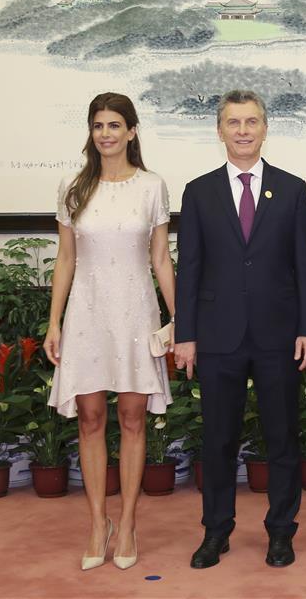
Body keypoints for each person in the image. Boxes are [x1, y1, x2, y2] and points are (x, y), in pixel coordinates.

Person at [173, 89, 306, 569]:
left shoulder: (292, 188)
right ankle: (216, 531)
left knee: (282, 438)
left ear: (264, 128)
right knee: (217, 440)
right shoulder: (199, 191)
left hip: (279, 335)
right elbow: (189, 268)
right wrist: (185, 335)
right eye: (233, 122)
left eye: (251, 121)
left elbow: (305, 265)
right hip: (216, 337)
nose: (242, 130)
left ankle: (281, 531)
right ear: (219, 130)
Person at [44, 92, 175, 571]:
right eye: (98, 125)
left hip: (136, 314)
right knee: (91, 417)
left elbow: (160, 258)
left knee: (133, 418)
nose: (106, 134)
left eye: (115, 125)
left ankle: (129, 521)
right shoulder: (72, 187)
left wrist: (178, 319)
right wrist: (54, 321)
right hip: (87, 314)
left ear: (132, 131)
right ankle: (98, 522)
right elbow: (65, 259)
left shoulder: (152, 186)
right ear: (91, 132)